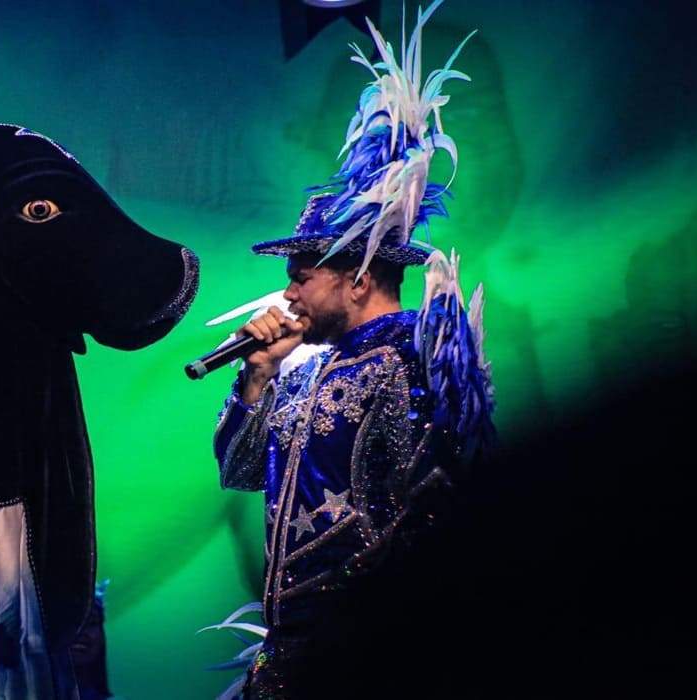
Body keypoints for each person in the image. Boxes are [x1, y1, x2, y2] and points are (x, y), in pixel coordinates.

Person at [209, 2, 496, 696]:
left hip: (371, 649)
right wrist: (257, 373)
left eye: (302, 276)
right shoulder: (301, 369)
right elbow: (240, 472)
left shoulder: (414, 356)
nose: (288, 293)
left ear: (359, 278)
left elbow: (437, 507)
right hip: (291, 652)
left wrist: (367, 627)